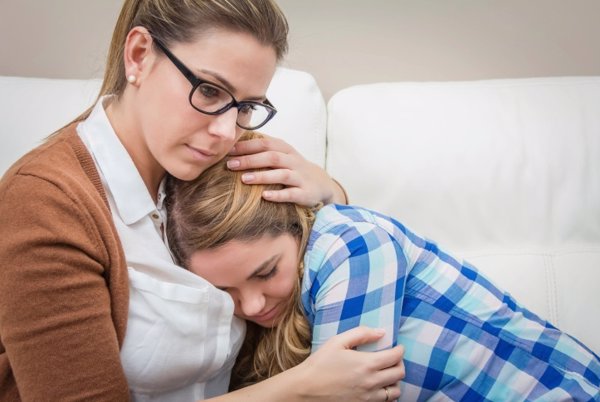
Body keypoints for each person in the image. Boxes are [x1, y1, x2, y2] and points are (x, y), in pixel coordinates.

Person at [0, 1, 405, 401]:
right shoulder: (45, 205)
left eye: (246, 106)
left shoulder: (218, 165)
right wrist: (299, 389)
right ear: (139, 55)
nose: (226, 132)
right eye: (209, 91)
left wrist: (330, 193)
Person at [166, 132, 600, 401]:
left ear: (298, 226)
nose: (253, 304)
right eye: (226, 292)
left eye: (265, 272)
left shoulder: (351, 244)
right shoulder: (266, 315)